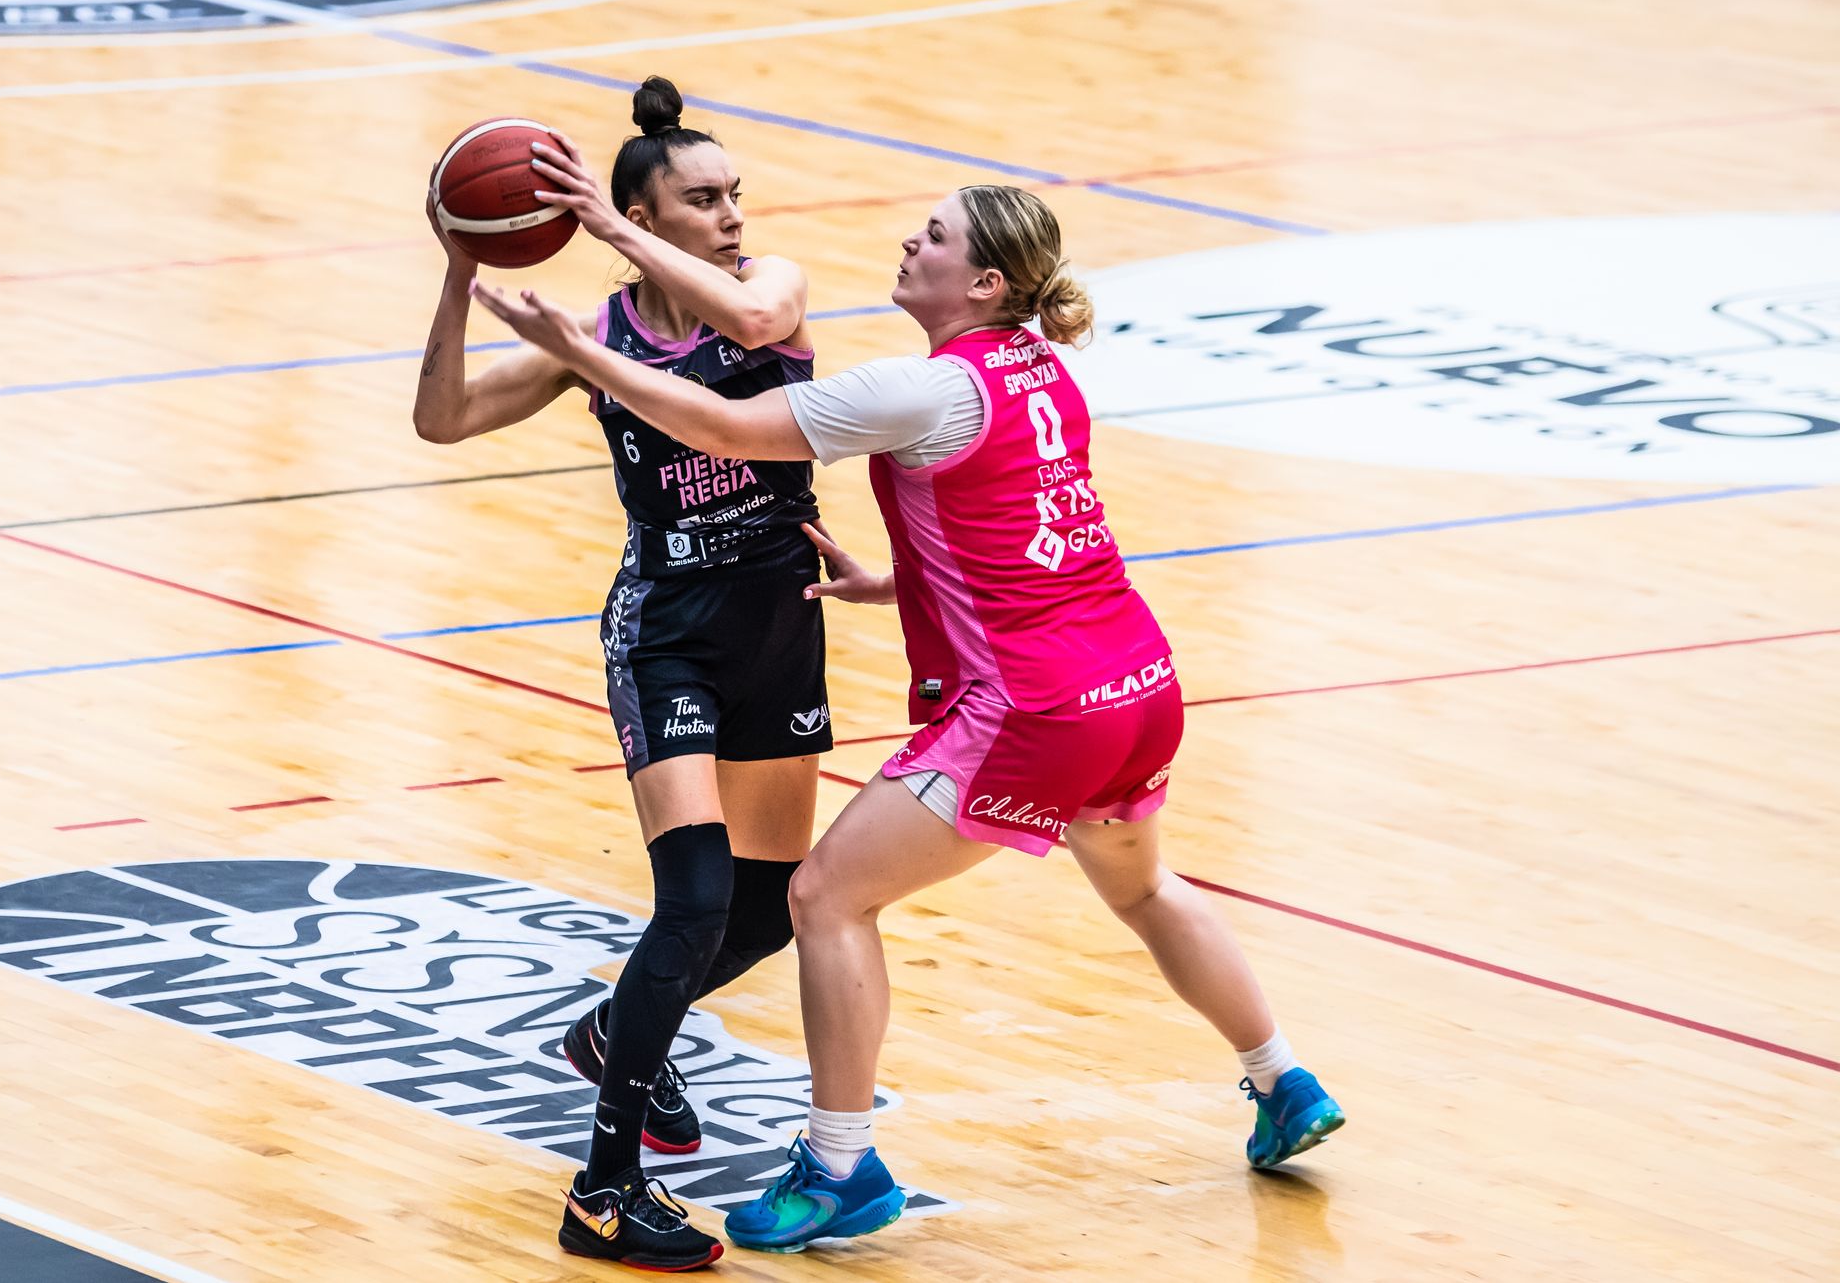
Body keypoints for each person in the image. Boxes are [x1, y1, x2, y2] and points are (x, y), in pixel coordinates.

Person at [471, 181, 1348, 1256]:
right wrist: (900, 586)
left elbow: (719, 424)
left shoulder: (916, 391)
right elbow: (1029, 533)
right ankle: (1281, 1078)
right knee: (1146, 887)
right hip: (1136, 682)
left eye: (931, 237)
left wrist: (579, 347)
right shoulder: (1043, 370)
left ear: (980, 280)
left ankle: (839, 1166)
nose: (906, 240)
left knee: (824, 897)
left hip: (1035, 704)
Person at [415, 76, 832, 1272]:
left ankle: (613, 1033)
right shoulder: (592, 339)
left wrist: (613, 224)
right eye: (702, 201)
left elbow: (754, 334)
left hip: (780, 618)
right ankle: (602, 1186)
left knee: (770, 907)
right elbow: (442, 420)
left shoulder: (773, 288)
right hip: (669, 629)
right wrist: (455, 275)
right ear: (648, 205)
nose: (732, 216)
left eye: (732, 195)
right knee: (693, 898)